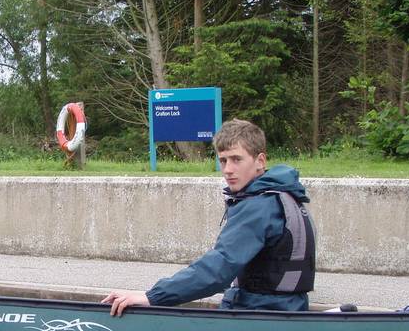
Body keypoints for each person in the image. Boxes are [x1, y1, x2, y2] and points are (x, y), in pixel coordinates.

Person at [102, 119, 315, 316]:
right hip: (288, 310)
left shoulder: (259, 206)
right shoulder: (286, 196)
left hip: (258, 315)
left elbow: (218, 268)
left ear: (260, 161)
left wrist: (152, 296)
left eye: (236, 159)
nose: (228, 170)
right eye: (223, 161)